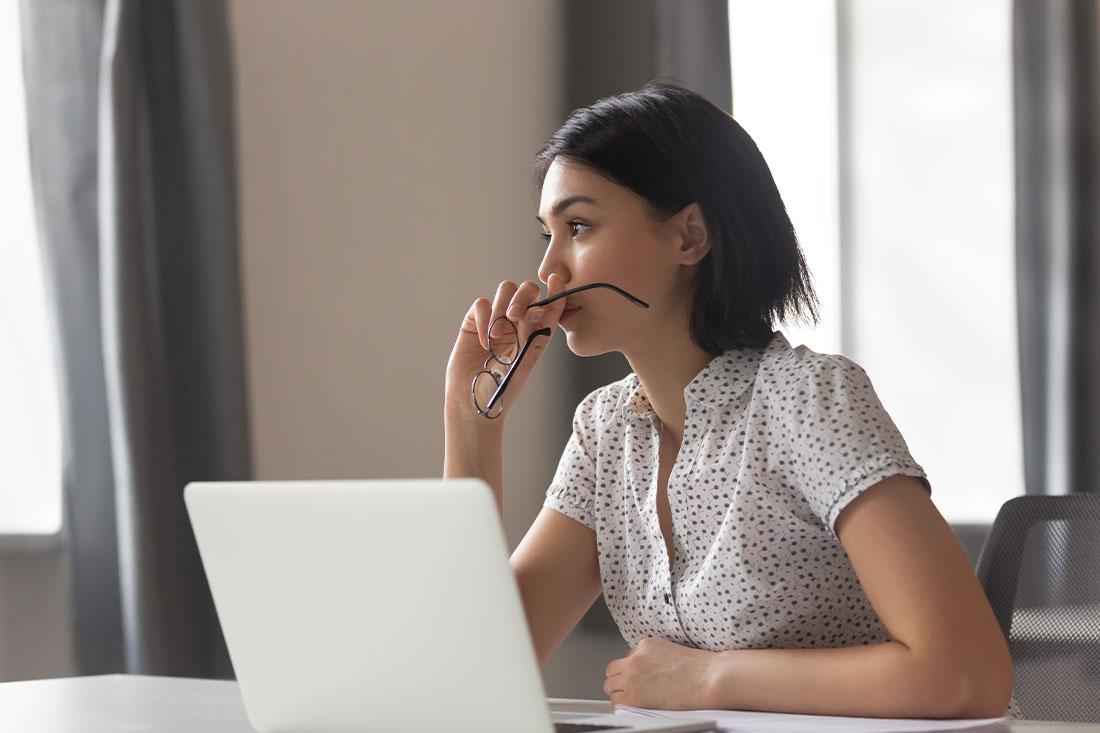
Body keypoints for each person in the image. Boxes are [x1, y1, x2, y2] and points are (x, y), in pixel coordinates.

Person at [442, 81, 1014, 719]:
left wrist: (711, 680)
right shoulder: (605, 432)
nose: (551, 271)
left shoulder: (809, 400)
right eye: (548, 233)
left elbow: (965, 675)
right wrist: (471, 423)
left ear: (690, 236)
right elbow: (478, 663)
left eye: (578, 226)